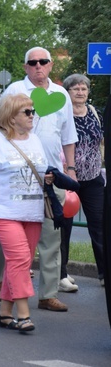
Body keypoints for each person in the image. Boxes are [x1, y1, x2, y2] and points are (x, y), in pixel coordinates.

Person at [0, 47, 77, 312]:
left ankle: (47, 293)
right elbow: (0, 126)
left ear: (50, 66)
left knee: (51, 237)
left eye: (44, 62)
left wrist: (70, 169)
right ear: (25, 66)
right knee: (12, 236)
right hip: (19, 175)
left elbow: (68, 136)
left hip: (50, 176)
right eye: (33, 62)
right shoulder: (15, 90)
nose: (39, 66)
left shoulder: (61, 94)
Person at [0, 94, 53, 333]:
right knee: (18, 260)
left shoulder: (35, 140)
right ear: (11, 116)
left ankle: (4, 313)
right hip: (4, 211)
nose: (32, 116)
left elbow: (41, 169)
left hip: (33, 212)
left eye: (32, 111)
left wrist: (48, 176)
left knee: (20, 262)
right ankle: (24, 314)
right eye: (26, 112)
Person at [60, 74, 104, 288]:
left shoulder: (95, 113)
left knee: (99, 226)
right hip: (69, 179)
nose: (80, 92)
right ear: (67, 92)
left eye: (83, 89)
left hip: (94, 178)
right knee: (65, 227)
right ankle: (62, 274)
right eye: (75, 89)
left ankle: (104, 273)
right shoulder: (63, 115)